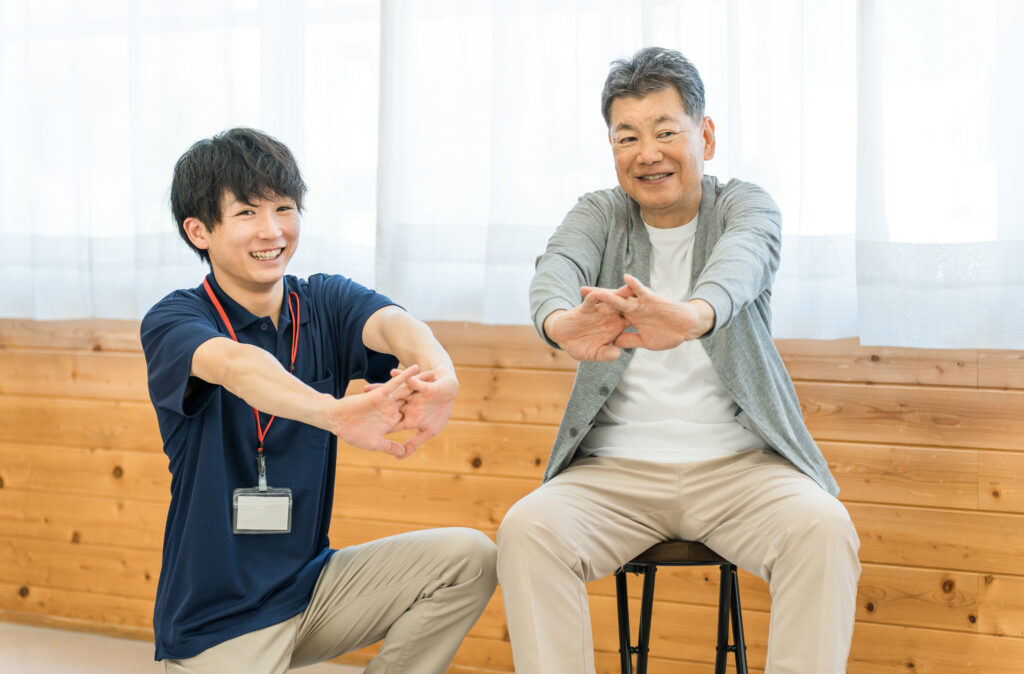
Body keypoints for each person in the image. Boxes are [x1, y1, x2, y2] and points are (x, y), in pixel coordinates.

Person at [496, 47, 860, 673]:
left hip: (742, 469)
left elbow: (743, 262)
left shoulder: (745, 206)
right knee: (527, 531)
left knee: (824, 531)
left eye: (667, 131)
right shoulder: (599, 213)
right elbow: (555, 269)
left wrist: (692, 315)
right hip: (614, 475)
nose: (648, 152)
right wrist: (562, 323)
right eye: (627, 136)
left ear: (705, 136)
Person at [141, 127, 496, 674]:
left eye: (284, 207)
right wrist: (333, 414)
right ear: (199, 231)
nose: (272, 230)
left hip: (310, 591)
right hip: (215, 623)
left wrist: (439, 372)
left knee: (470, 559)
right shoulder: (177, 320)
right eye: (246, 214)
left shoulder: (324, 300)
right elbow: (238, 366)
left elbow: (399, 326)